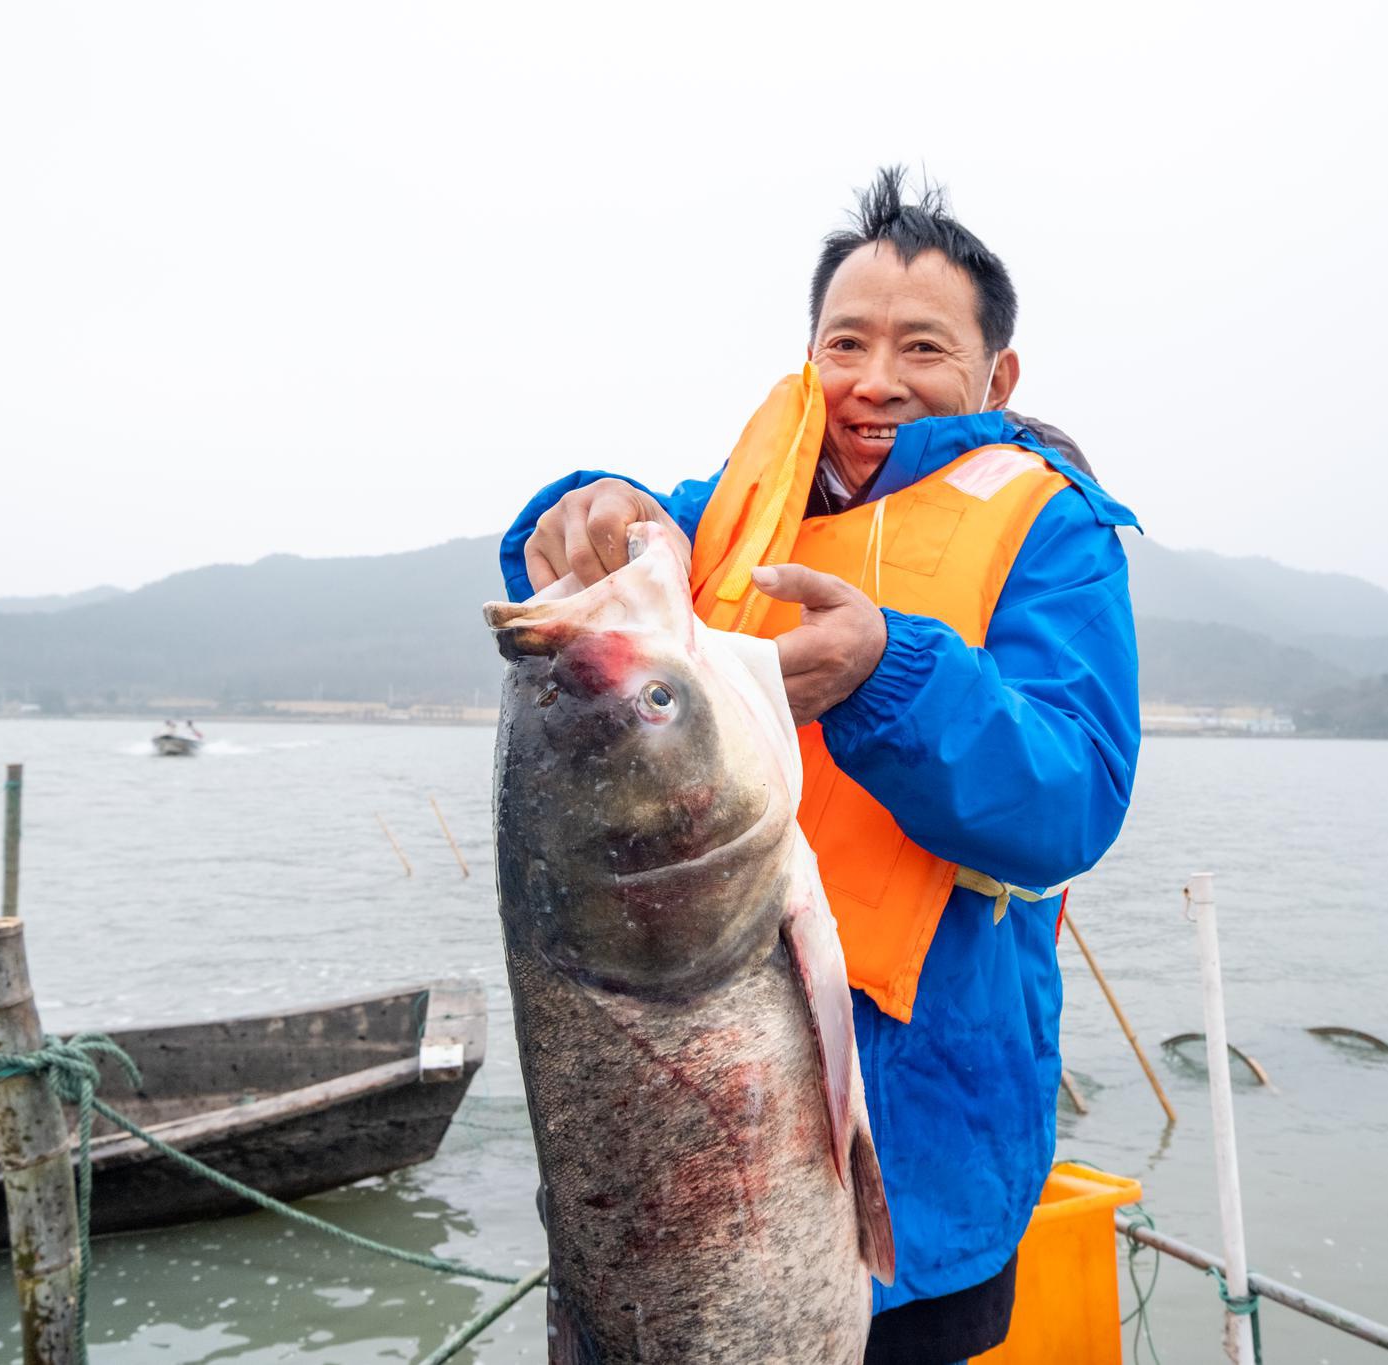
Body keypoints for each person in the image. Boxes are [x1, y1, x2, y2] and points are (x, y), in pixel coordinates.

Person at [499, 167, 1140, 1364]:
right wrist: (579, 512)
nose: (875, 379)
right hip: (669, 1119)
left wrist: (888, 671)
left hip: (928, 1125)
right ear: (806, 354)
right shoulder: (732, 509)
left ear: (996, 377)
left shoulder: (1054, 535)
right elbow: (578, 619)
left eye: (921, 346)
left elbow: (1069, 799)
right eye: (844, 341)